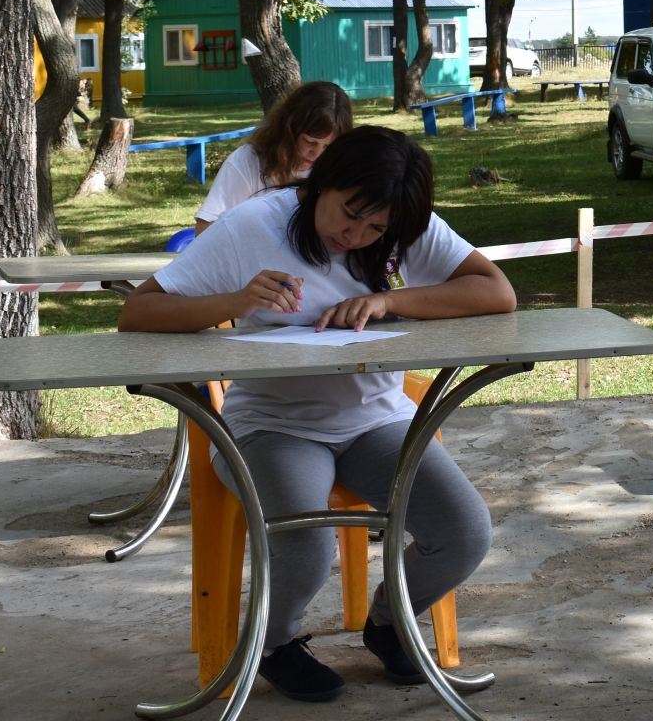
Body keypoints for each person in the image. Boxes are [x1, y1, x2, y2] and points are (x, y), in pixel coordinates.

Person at [119, 125, 515, 702]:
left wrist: (389, 299)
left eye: (375, 229)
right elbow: (139, 312)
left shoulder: (402, 222)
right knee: (306, 544)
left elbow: (495, 292)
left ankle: (390, 622)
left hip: (378, 419)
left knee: (464, 530)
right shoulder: (255, 224)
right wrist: (235, 302)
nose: (355, 236)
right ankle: (274, 643)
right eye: (348, 214)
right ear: (322, 183)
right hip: (273, 426)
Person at [195, 80, 354, 234]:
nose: (317, 153)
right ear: (289, 130)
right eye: (309, 141)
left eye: (328, 146)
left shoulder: (340, 170)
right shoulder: (250, 160)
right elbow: (205, 230)